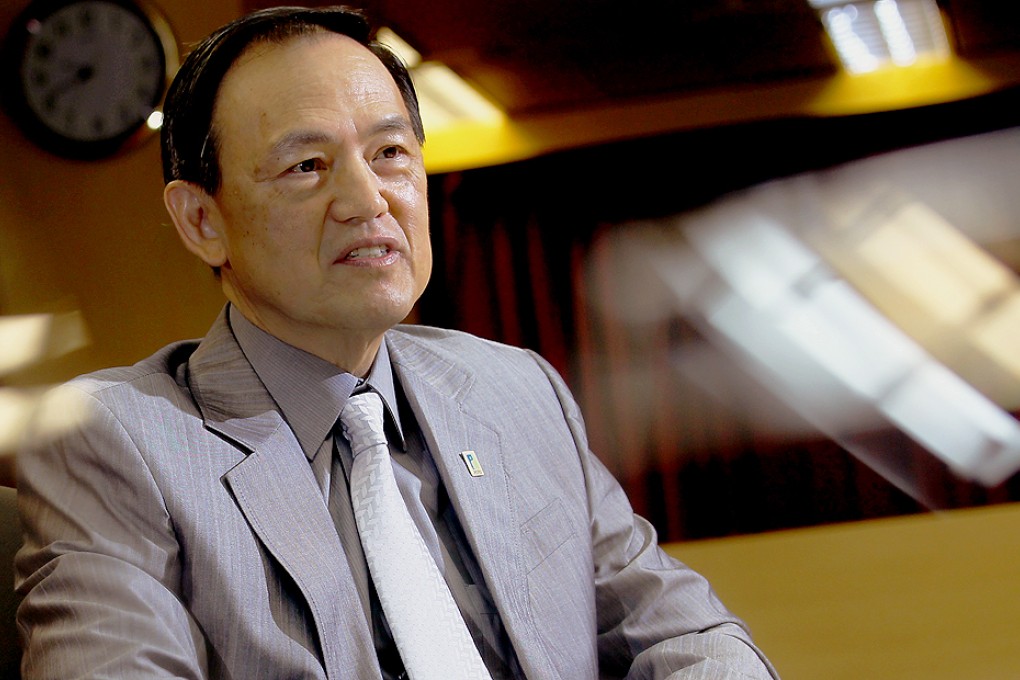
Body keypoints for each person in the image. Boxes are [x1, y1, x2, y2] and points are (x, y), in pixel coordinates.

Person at [15, 6, 779, 679]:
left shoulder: (515, 389)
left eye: (389, 154)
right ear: (201, 221)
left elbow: (683, 629)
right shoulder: (119, 441)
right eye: (307, 166)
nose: (366, 199)